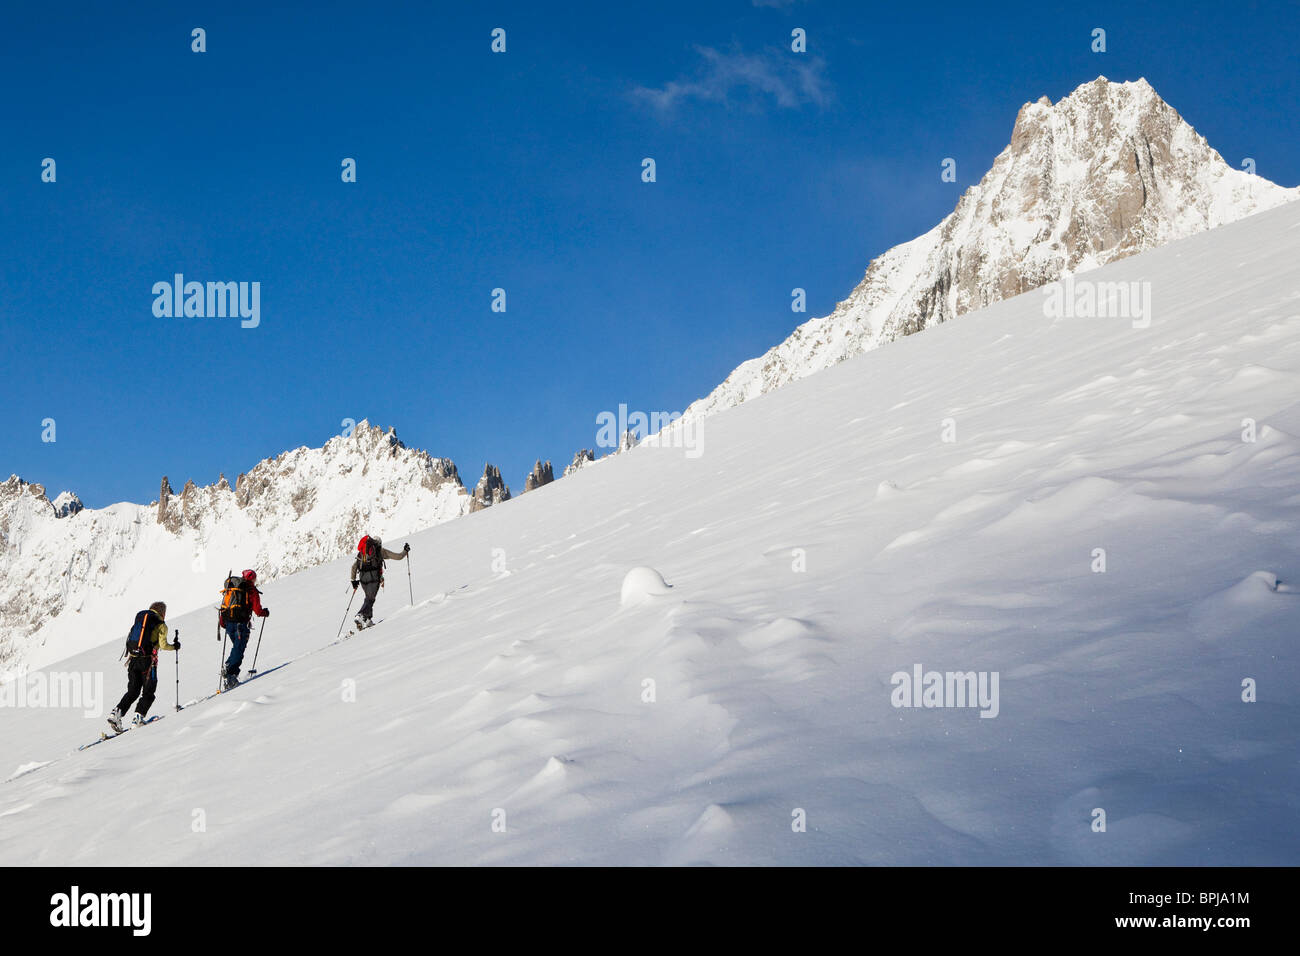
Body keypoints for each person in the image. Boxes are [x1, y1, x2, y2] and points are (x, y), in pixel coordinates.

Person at [109, 601, 179, 732]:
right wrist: (175, 646)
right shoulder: (161, 624)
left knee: (133, 691)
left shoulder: (140, 621)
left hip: (133, 659)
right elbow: (163, 645)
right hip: (148, 662)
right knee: (149, 691)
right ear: (163, 613)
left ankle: (116, 714)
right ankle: (138, 719)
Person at [219, 569, 269, 688]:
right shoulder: (250, 590)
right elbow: (257, 610)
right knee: (239, 648)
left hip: (229, 623)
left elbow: (224, 605)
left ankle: (229, 671)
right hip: (240, 624)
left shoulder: (232, 589)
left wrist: (223, 621)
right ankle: (230, 673)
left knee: (237, 647)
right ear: (252, 578)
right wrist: (264, 613)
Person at [350, 535, 409, 630]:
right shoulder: (380, 551)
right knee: (370, 598)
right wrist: (405, 551)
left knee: (369, 598)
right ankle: (360, 615)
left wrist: (353, 580)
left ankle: (368, 619)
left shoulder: (361, 552)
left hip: (363, 579)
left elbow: (354, 567)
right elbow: (397, 557)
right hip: (374, 578)